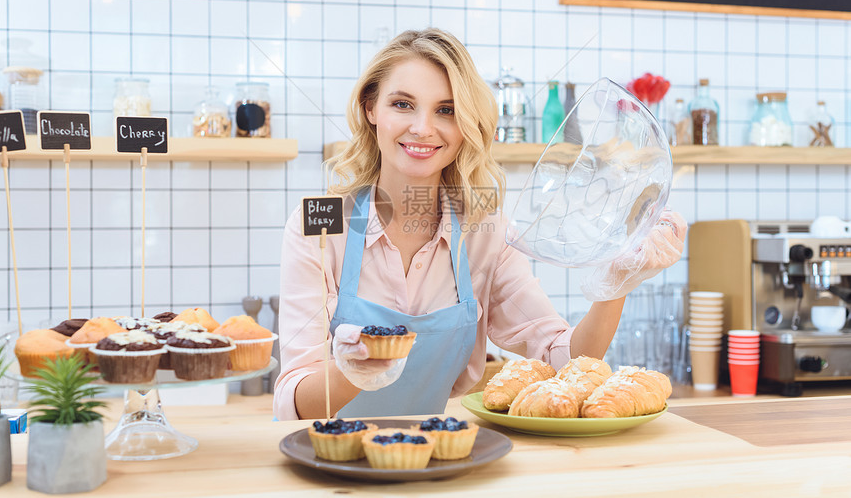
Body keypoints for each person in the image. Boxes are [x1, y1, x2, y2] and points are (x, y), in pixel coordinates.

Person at [274, 28, 686, 420]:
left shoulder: (484, 229)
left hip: (434, 459)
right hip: (327, 461)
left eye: (446, 111)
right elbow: (292, 398)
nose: (422, 127)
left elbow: (564, 359)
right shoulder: (319, 221)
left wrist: (616, 284)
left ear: (466, 126)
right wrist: (352, 373)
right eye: (402, 104)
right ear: (371, 109)